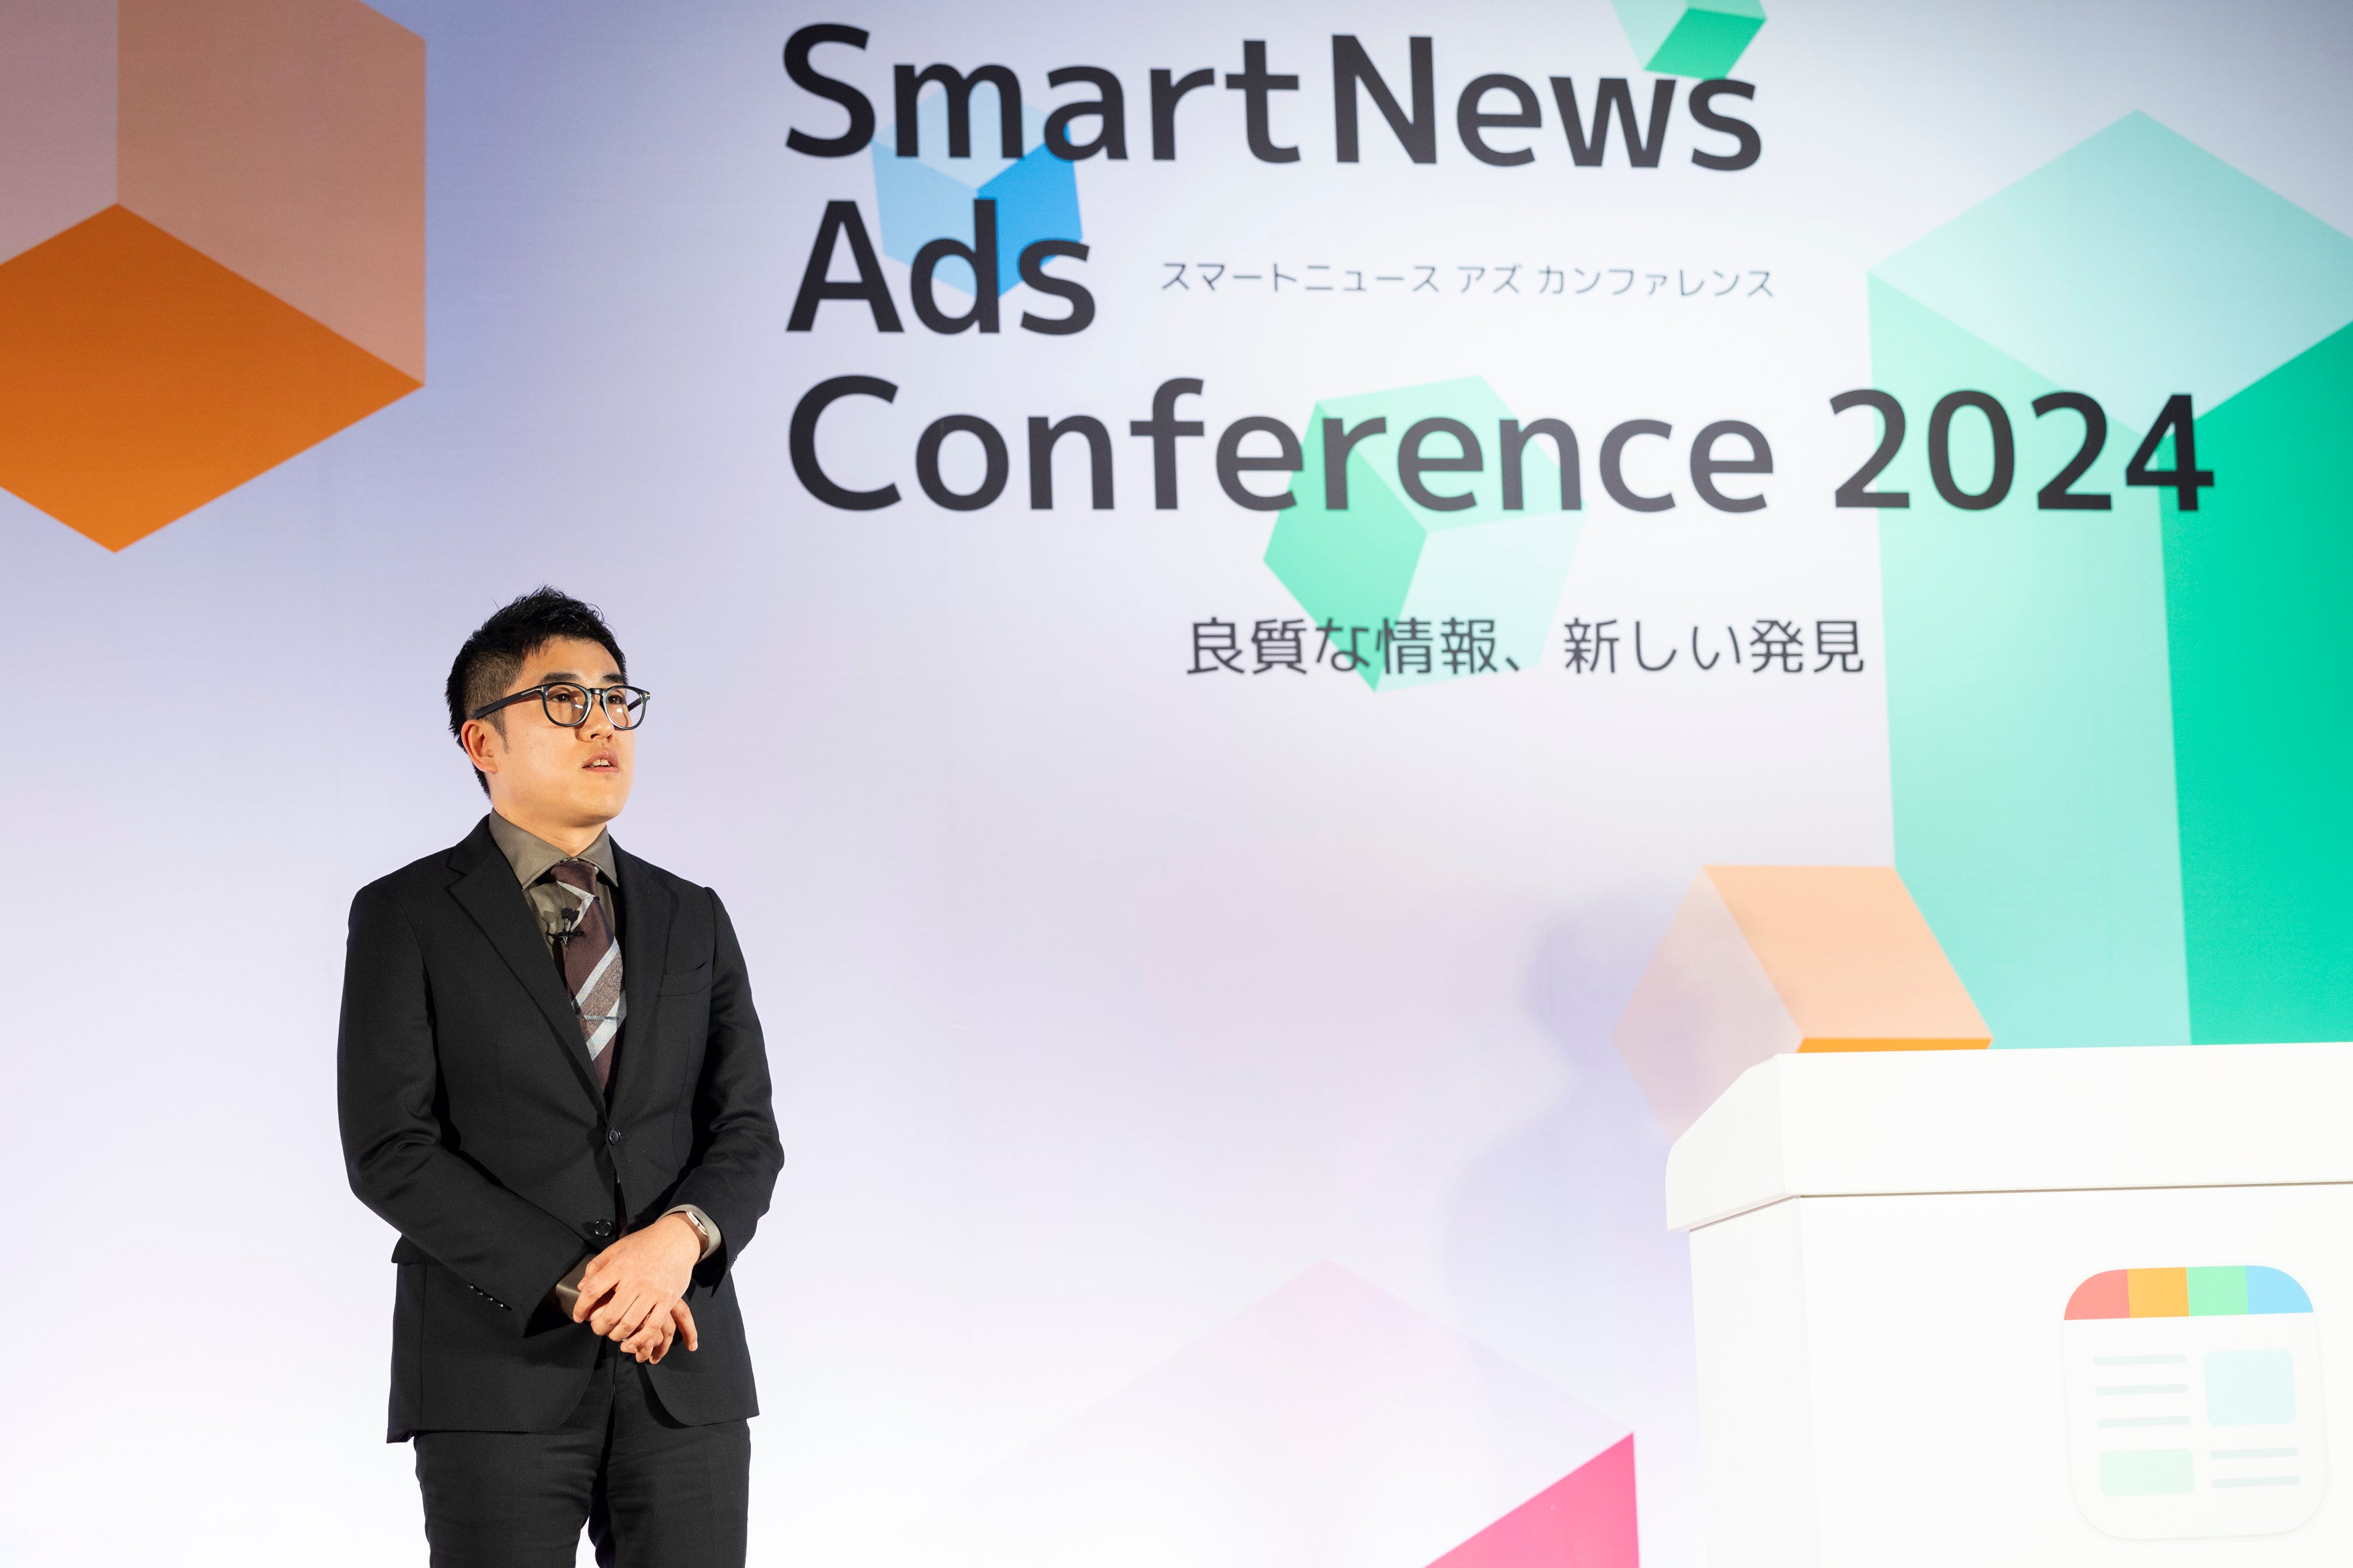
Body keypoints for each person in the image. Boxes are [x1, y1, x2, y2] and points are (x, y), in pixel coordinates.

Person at [337, 587, 783, 1566]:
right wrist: (587, 1282)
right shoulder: (406, 913)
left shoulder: (694, 915)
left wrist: (675, 1244)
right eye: (564, 700)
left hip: (684, 1367)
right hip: (496, 1366)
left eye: (617, 698)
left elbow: (747, 1130)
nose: (603, 724)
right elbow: (391, 1150)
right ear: (481, 741)